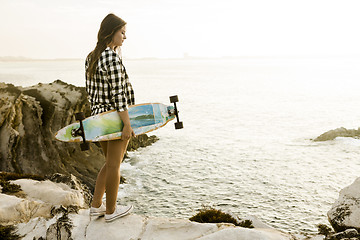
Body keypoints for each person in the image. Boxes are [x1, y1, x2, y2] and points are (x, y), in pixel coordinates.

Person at [85, 13, 135, 222]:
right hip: (114, 116)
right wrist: (126, 124)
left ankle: (96, 206)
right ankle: (112, 211)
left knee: (109, 162)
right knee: (115, 164)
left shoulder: (92, 56)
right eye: (122, 32)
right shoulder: (111, 58)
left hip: (99, 117)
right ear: (111, 32)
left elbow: (90, 91)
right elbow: (119, 95)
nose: (125, 37)